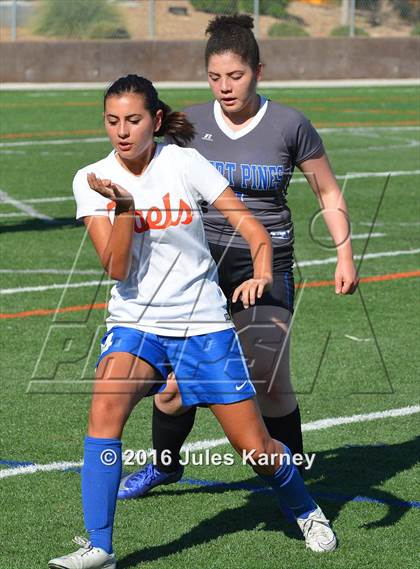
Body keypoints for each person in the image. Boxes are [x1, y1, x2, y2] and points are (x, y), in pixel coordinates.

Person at [48, 74, 337, 569]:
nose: (122, 131)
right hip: (135, 323)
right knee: (104, 415)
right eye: (112, 121)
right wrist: (122, 207)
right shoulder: (89, 178)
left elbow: (250, 226)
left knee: (256, 450)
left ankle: (306, 508)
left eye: (133, 120)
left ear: (155, 121)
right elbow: (116, 267)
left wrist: (263, 270)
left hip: (203, 324)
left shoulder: (182, 161)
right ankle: (100, 546)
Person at [119, 14, 358, 502]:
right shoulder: (188, 123)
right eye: (215, 77)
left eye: (236, 76)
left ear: (259, 71)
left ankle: (294, 485)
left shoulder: (290, 125)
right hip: (198, 269)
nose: (225, 88)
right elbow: (153, 182)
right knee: (171, 388)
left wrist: (344, 255)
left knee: (268, 378)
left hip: (265, 262)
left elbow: (328, 191)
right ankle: (166, 467)